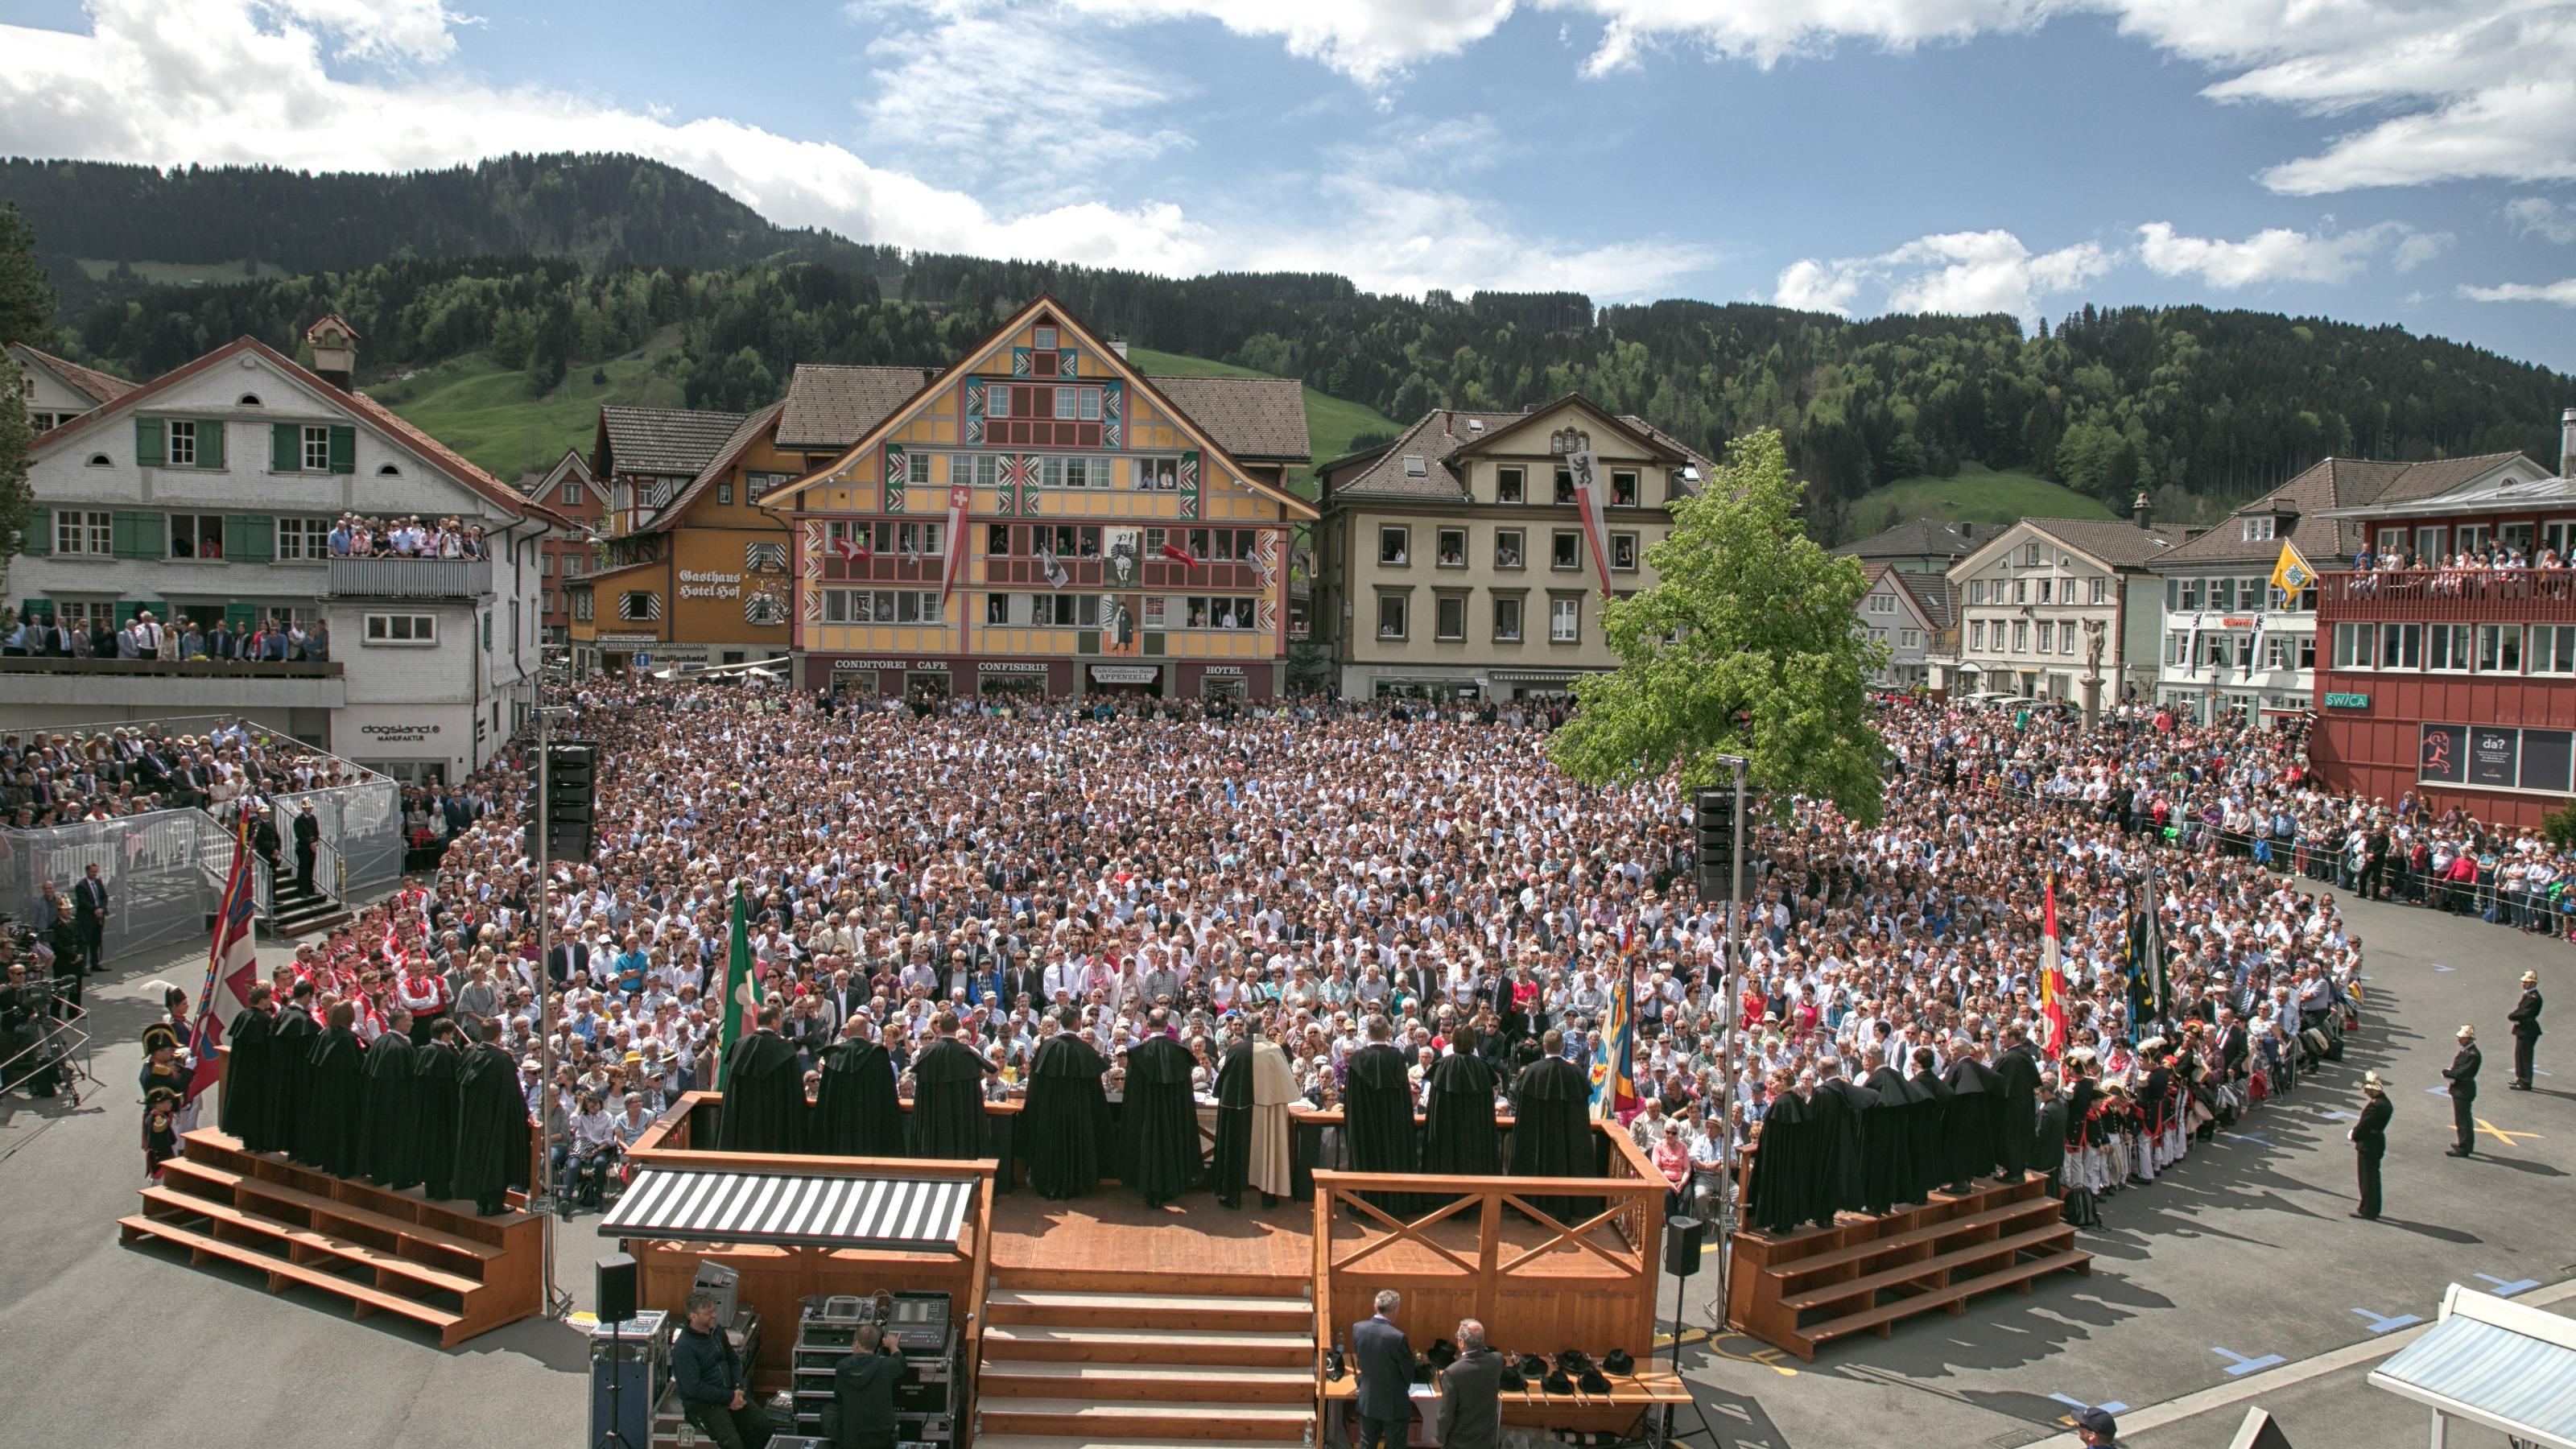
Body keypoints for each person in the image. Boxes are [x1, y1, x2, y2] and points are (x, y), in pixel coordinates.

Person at [1022, 1010, 1111, 1199]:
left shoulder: (1047, 1047)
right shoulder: (1086, 1050)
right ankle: (1074, 1185)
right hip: (1078, 1113)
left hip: (1050, 1111)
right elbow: (1096, 1092)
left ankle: (1049, 1184)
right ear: (1077, 1022)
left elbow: (1034, 1085)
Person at [1121, 1009, 1201, 1208]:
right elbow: (1185, 1095)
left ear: (1148, 1026)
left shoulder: (1138, 1054)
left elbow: (1132, 1094)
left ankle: (1149, 1189)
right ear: (1167, 1026)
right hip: (1174, 1115)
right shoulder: (1180, 1052)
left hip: (1146, 1115)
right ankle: (1173, 1186)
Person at [452, 1019, 533, 1215]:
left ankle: (481, 1203)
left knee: (478, 1160)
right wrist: (526, 1114)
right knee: (497, 1160)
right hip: (497, 1120)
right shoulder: (502, 1060)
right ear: (499, 1036)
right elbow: (513, 1094)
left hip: (474, 1121)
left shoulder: (471, 1053)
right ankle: (494, 1204)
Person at [675, 1289, 770, 1449]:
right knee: (733, 1444)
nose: (714, 1315)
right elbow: (694, 1388)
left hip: (729, 1393)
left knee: (764, 1428)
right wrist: (729, 1398)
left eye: (714, 1310)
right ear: (693, 1316)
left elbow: (733, 1360)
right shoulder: (684, 1348)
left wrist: (738, 1388)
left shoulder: (717, 1331)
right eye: (708, 1313)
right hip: (705, 1404)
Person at [716, 1004, 807, 1154]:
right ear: (774, 1022)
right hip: (775, 1118)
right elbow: (793, 1091)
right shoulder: (785, 1049)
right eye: (780, 1019)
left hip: (744, 1116)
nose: (781, 1022)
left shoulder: (739, 1046)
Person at [812, 1018, 905, 1157]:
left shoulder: (834, 1055)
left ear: (848, 1032)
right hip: (870, 1117)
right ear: (866, 1031)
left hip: (841, 1119)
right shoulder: (878, 1055)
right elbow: (887, 1094)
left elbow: (826, 1096)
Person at [906, 1016, 989, 1159]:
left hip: (933, 1118)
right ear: (958, 1026)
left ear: (939, 1028)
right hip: (962, 1118)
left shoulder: (926, 1053)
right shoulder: (969, 1053)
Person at [356, 1008, 418, 1187]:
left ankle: (378, 1172)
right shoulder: (402, 1048)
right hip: (396, 1104)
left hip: (376, 1101)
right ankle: (397, 1175)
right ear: (400, 1023)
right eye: (410, 1020)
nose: (412, 1023)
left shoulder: (379, 1042)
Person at [1350, 1289, 1414, 1449]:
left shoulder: (1358, 1328)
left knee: (1366, 1443)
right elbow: (1408, 1372)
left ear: (1375, 1306)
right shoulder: (1398, 1338)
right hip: (1393, 1404)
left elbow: (1361, 1359)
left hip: (1369, 1399)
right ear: (1395, 1311)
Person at [828, 1321, 909, 1449]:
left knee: (828, 1410)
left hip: (852, 1439)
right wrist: (892, 1345)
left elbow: (838, 1398)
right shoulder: (886, 1365)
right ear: (876, 1346)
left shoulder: (842, 1366)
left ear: (856, 1343)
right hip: (881, 1440)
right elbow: (901, 1363)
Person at [221, 983, 281, 1150]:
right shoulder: (263, 1020)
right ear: (262, 1000)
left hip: (241, 1071)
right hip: (258, 1074)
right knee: (258, 1108)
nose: (271, 1001)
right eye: (269, 998)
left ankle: (248, 1141)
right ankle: (259, 1143)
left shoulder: (243, 1015)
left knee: (245, 1106)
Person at [1437, 1317, 1503, 1449]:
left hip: (1459, 1442)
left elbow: (1446, 1414)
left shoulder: (1453, 1372)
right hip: (1486, 1440)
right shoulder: (1497, 1361)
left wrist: (1441, 1438)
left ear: (1461, 1342)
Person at [2350, 1071, 2392, 1220]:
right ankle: (2373, 1208)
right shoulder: (2385, 1103)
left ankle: (2367, 1209)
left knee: (2367, 1179)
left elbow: (2364, 1125)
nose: (2367, 1093)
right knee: (2373, 1177)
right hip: (2377, 1142)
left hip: (2369, 1144)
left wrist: (2354, 1135)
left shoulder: (2376, 1106)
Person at [2442, 1024, 2481, 1158]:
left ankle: (2464, 1147)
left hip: (2463, 1090)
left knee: (2463, 1120)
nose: (2458, 1039)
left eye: (2462, 1038)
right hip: (2461, 1089)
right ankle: (2465, 1144)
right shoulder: (2466, 1051)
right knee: (2462, 1119)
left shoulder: (2472, 1055)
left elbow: (2461, 1072)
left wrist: (2447, 1073)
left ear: (2469, 1039)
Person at [2508, 970, 2543, 1091]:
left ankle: (2525, 1082)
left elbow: (2525, 1013)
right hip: (2523, 1029)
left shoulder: (2533, 998)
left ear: (2533, 983)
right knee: (2519, 1055)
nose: (2523, 984)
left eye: (2526, 982)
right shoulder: (2528, 995)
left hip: (2528, 1030)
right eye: (2523, 982)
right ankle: (2520, 1078)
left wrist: (2512, 1016)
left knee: (2525, 1056)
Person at [292, 800, 321, 895]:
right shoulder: (298, 820)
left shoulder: (313, 818)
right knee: (303, 869)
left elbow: (316, 832)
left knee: (310, 869)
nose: (310, 809)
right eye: (308, 808)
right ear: (303, 808)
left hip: (312, 847)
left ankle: (310, 889)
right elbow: (300, 835)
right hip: (303, 848)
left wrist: (315, 842)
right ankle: (302, 890)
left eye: (310, 808)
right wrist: (310, 843)